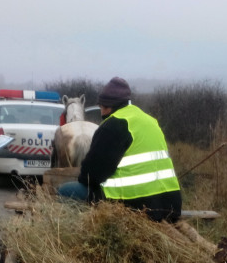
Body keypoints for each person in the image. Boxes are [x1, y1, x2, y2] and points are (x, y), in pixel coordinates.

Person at [58, 77, 182, 222]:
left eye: (101, 107)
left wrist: (83, 178)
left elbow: (91, 175)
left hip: (134, 205)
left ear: (107, 106)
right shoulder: (150, 121)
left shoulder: (114, 125)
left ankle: (77, 233)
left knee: (65, 191)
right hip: (170, 205)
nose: (101, 111)